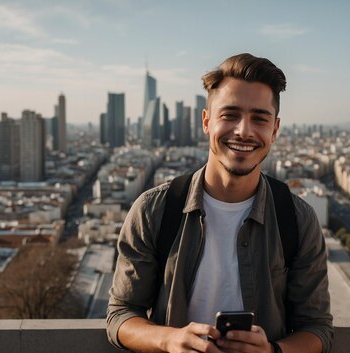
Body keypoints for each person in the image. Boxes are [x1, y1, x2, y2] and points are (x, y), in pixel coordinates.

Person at [107, 53, 333, 353]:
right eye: (230, 115)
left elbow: (317, 327)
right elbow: (121, 314)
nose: (243, 131)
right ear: (206, 121)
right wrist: (168, 340)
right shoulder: (154, 210)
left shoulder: (297, 219)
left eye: (259, 119)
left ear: (275, 130)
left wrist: (273, 352)